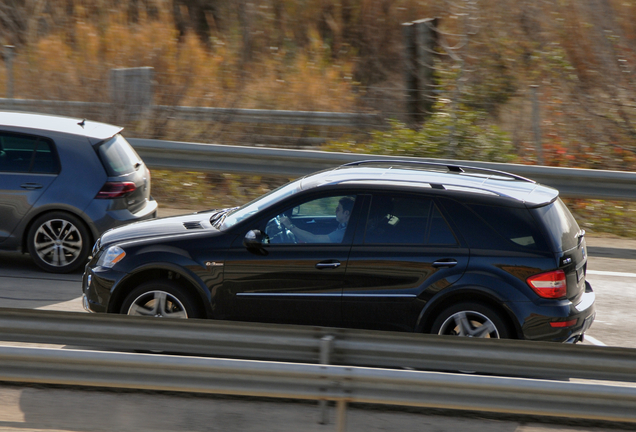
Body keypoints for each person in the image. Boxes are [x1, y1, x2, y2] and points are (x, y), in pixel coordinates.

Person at [280, 196, 354, 243]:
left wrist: (290, 226)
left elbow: (314, 240)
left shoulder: (344, 232)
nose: (335, 211)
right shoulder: (345, 227)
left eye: (338, 209)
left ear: (346, 213)